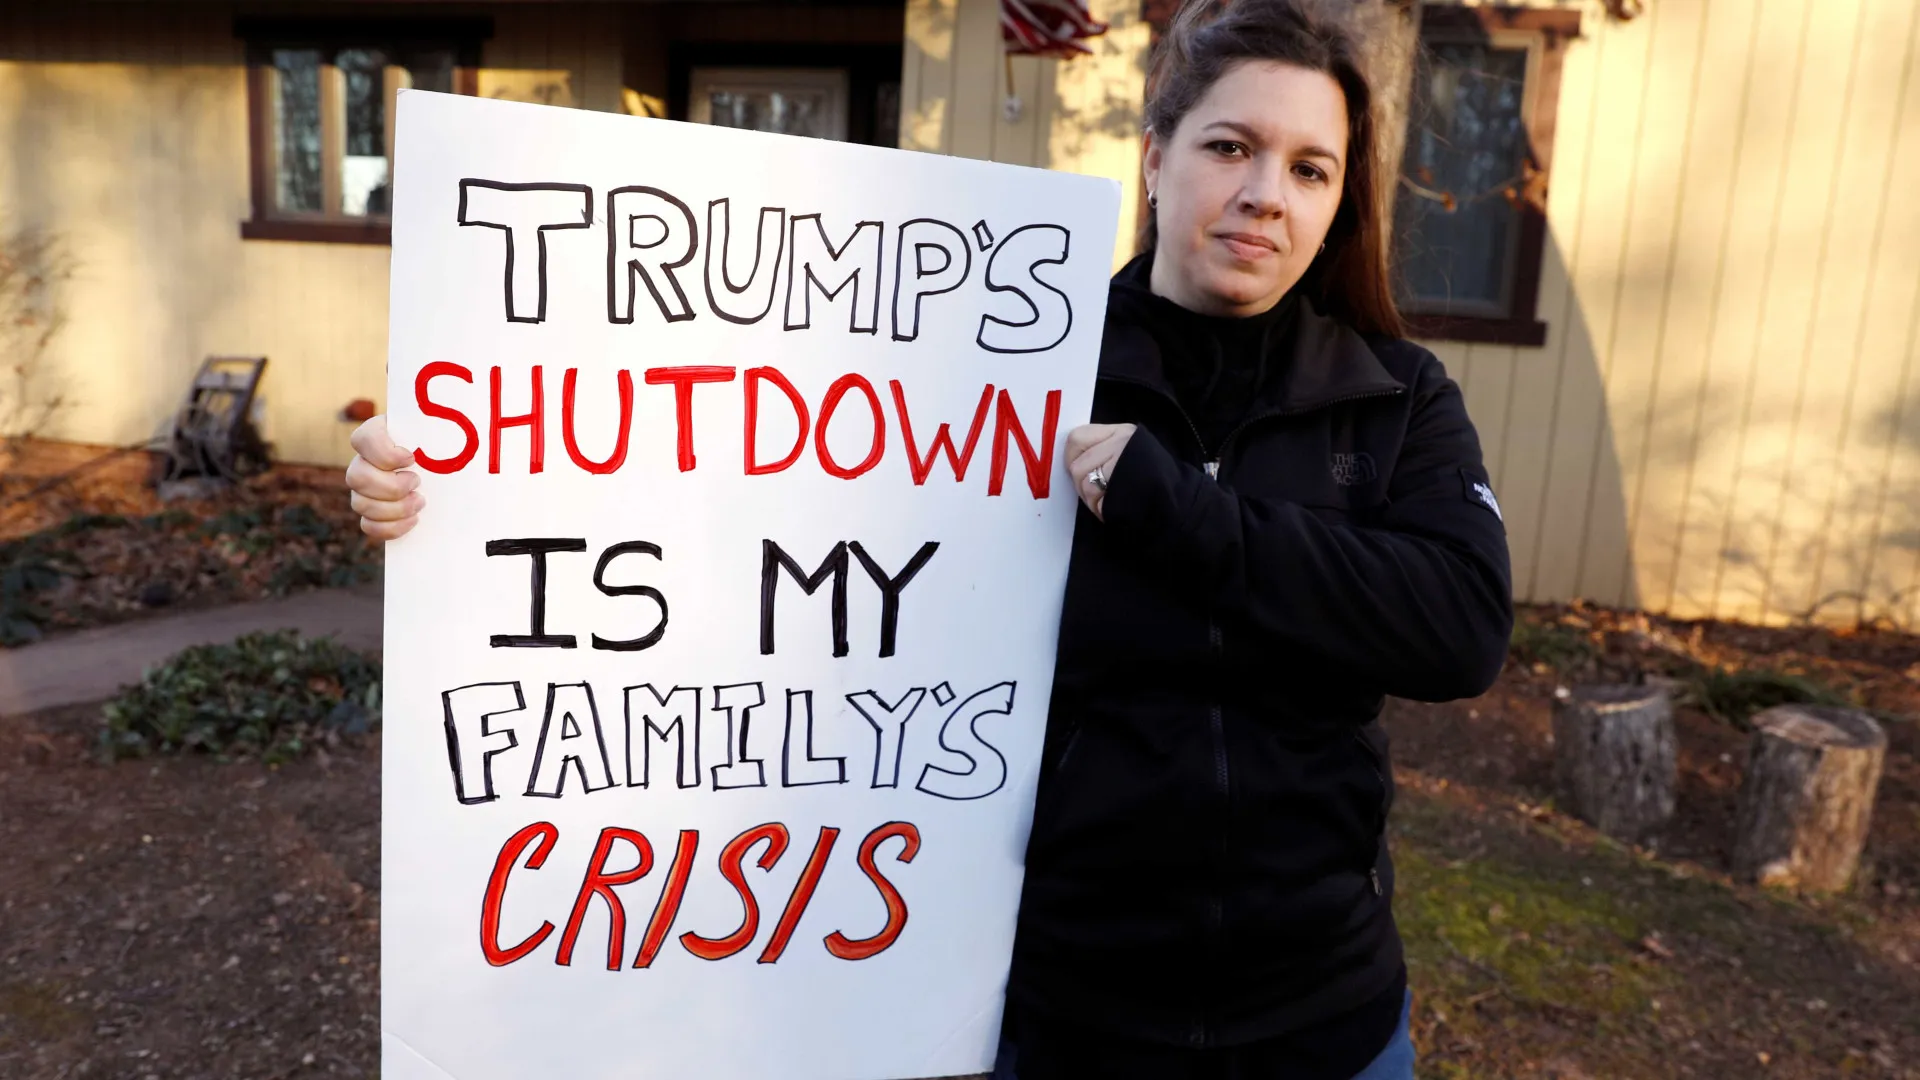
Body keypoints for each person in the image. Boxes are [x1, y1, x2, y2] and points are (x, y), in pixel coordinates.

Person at [345, 0, 1512, 1074]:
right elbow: (734, 505)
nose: (1268, 192)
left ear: (1338, 199)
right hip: (1063, 1004)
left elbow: (1458, 630)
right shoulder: (1009, 364)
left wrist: (1179, 511)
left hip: (1325, 1017)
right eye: (1230, 146)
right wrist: (462, 491)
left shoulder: (1395, 395)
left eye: (1311, 168)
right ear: (1156, 157)